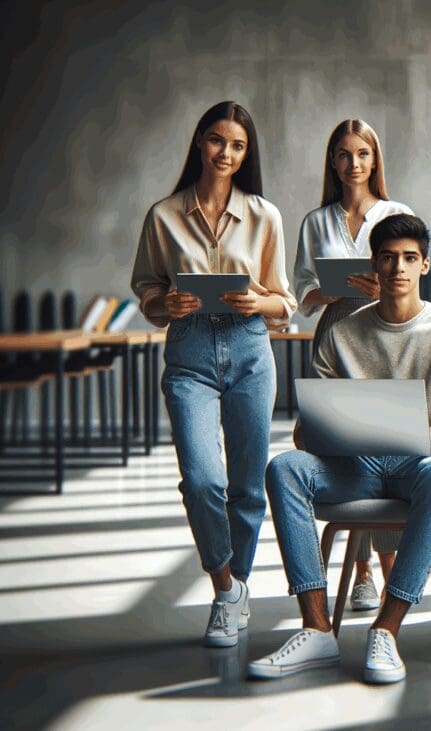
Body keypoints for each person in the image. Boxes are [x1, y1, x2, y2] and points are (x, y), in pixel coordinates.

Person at [248, 214, 431, 684]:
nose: (398, 268)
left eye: (408, 258)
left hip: (420, 465)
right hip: (352, 466)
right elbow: (305, 434)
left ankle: (387, 627)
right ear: (374, 267)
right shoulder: (343, 333)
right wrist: (323, 427)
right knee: (284, 467)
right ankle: (317, 629)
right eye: (388, 258)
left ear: (425, 266)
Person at [130, 101, 295, 648]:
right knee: (203, 481)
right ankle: (226, 587)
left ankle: (237, 586)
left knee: (248, 485)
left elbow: (284, 303)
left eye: (238, 145)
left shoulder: (265, 215)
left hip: (250, 349)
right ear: (199, 142)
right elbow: (147, 289)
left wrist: (258, 301)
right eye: (217, 141)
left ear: (247, 153)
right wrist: (165, 305)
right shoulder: (163, 216)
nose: (226, 153)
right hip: (190, 352)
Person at [291, 119, 414, 613]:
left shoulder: (396, 212)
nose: (353, 163)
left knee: (379, 441)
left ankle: (388, 569)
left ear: (374, 159)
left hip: (383, 333)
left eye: (362, 153)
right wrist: (333, 289)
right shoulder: (316, 221)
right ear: (333, 162)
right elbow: (301, 292)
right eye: (344, 154)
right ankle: (361, 572)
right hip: (335, 332)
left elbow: (412, 274)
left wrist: (381, 284)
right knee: (343, 444)